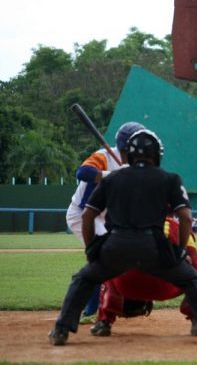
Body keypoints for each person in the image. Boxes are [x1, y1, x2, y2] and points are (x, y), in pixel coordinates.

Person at [48, 129, 197, 346]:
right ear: (157, 154)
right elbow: (185, 217)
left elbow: (88, 214)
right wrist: (179, 251)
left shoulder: (112, 178)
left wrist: (92, 249)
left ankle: (61, 330)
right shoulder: (169, 179)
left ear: (127, 154)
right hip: (153, 248)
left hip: (115, 247)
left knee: (84, 279)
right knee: (193, 279)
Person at [65, 121, 145, 323]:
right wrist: (113, 174)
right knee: (102, 261)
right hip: (83, 215)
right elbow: (82, 173)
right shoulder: (103, 156)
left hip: (107, 218)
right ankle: (91, 310)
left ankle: (122, 303)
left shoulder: (136, 165)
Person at [90, 215, 197, 337]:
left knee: (108, 271)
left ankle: (104, 321)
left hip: (127, 287)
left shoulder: (122, 224)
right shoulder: (176, 226)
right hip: (164, 288)